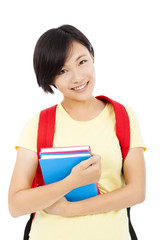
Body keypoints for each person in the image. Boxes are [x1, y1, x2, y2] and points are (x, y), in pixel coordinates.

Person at [8, 24, 146, 240]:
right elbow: (15, 205)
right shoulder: (37, 124)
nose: (77, 77)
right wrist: (72, 181)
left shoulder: (123, 117)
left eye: (82, 62)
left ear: (92, 56)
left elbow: (137, 192)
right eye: (62, 71)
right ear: (50, 78)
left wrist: (68, 209)